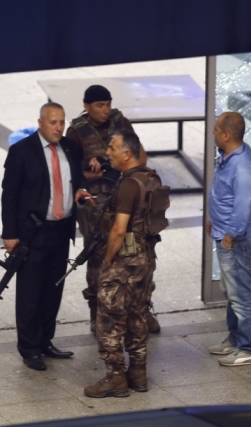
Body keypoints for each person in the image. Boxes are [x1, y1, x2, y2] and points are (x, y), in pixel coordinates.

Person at [1, 102, 92, 371]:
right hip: (33, 233)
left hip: (61, 231)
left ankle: (45, 341)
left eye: (62, 122)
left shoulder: (70, 148)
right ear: (40, 122)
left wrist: (81, 191)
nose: (59, 127)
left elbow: (76, 179)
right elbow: (10, 195)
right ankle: (29, 348)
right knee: (30, 292)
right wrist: (10, 233)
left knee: (53, 289)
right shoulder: (21, 152)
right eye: (53, 122)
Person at [65, 85, 161, 335]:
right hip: (96, 205)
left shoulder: (121, 123)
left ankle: (141, 309)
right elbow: (71, 173)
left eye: (108, 104)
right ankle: (97, 313)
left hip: (126, 200)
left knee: (137, 254)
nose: (105, 110)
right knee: (98, 258)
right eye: (99, 105)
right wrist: (95, 172)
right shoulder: (77, 133)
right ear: (87, 106)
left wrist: (117, 169)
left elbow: (141, 157)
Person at [84, 130, 164, 398]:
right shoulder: (151, 178)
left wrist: (107, 261)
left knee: (109, 319)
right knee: (137, 315)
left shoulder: (129, 185)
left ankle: (116, 378)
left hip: (124, 263)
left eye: (112, 148)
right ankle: (138, 374)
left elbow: (119, 230)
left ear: (127, 154)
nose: (108, 152)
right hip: (145, 260)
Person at [206, 112, 251, 367]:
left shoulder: (241, 169)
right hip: (227, 234)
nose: (213, 132)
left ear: (226, 135)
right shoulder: (233, 154)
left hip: (236, 241)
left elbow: (241, 211)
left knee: (242, 295)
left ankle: (249, 348)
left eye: (216, 129)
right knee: (233, 291)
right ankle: (235, 339)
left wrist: (229, 237)